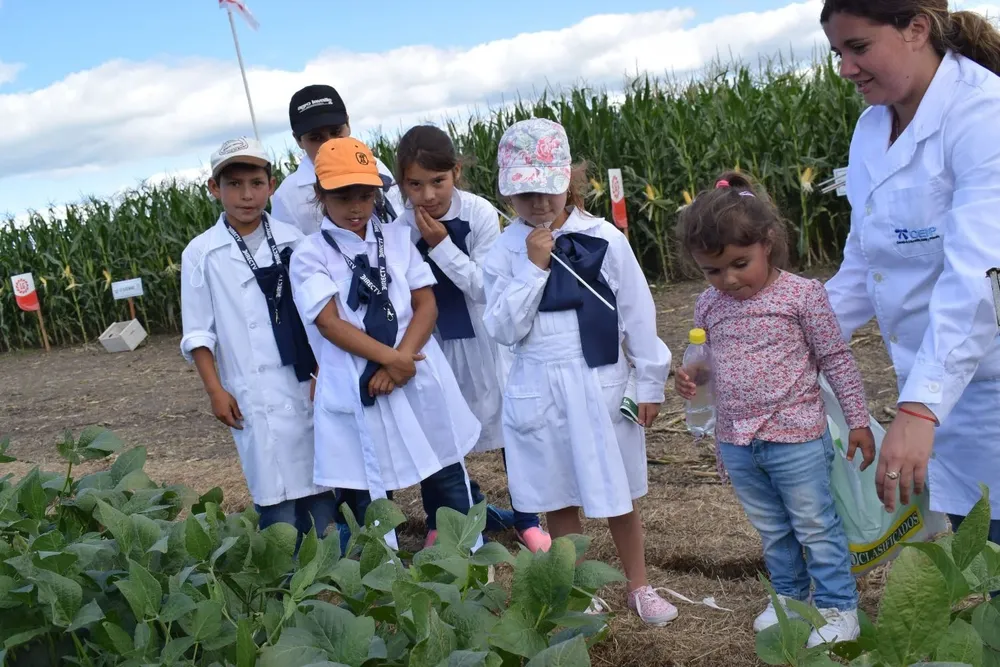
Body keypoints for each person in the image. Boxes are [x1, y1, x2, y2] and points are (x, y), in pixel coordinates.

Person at [482, 118, 676, 625]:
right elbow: (502, 326)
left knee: (619, 490)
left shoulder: (605, 237)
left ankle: (639, 584)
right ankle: (579, 591)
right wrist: (533, 268)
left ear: (569, 179)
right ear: (508, 195)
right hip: (539, 386)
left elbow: (638, 313)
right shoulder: (503, 252)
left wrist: (649, 380)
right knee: (558, 493)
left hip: (601, 382)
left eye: (548, 188)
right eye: (525, 193)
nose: (539, 203)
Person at [821, 0, 1000, 548]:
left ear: (917, 29)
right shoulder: (872, 128)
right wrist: (767, 338)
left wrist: (919, 408)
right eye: (837, 53)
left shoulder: (983, 115)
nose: (846, 69)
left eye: (859, 48)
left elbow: (980, 279)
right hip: (939, 388)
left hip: (988, 390)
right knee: (978, 559)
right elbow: (861, 269)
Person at [674, 172, 877, 646]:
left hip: (796, 435)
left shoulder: (802, 295)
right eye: (712, 270)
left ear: (768, 243)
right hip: (737, 439)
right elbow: (706, 364)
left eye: (739, 264)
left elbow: (836, 360)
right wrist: (691, 379)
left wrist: (858, 422)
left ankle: (837, 606)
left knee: (813, 523)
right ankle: (789, 597)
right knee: (771, 527)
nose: (728, 279)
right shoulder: (709, 305)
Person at [288, 136, 483, 552]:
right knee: (368, 481)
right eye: (343, 197)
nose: (356, 208)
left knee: (443, 462)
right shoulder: (309, 254)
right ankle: (382, 566)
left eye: (365, 195)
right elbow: (329, 323)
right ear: (321, 195)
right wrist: (390, 360)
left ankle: (462, 553)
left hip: (415, 368)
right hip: (361, 380)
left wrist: (403, 361)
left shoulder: (395, 237)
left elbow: (425, 303)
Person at [394, 124, 551, 552]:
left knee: (507, 427)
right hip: (431, 344)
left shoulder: (479, 213)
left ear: (456, 173)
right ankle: (445, 519)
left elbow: (486, 286)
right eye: (414, 184)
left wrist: (442, 246)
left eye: (437, 182)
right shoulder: (397, 221)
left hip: (483, 340)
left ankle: (528, 516)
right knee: (437, 429)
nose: (427, 195)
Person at [180, 137, 336, 544]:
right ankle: (282, 573)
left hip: (306, 380)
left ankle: (324, 569)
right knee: (274, 495)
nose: (246, 195)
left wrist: (323, 372)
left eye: (256, 182)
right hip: (251, 390)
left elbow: (319, 317)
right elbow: (199, 332)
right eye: (234, 184)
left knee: (321, 487)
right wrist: (215, 390)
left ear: (271, 184)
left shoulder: (294, 241)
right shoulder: (202, 253)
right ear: (214, 189)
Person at [271, 84, 403, 236]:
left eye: (336, 132)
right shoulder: (288, 195)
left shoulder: (374, 165)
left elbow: (397, 217)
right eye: (316, 138)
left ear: (348, 124)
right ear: (298, 140)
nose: (329, 143)